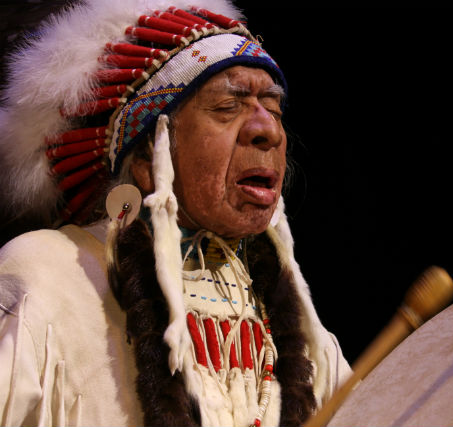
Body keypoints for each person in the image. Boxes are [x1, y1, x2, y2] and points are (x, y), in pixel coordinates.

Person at [0, 1, 351, 426]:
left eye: (273, 108)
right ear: (149, 154)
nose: (269, 130)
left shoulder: (303, 330)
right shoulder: (47, 276)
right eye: (228, 106)